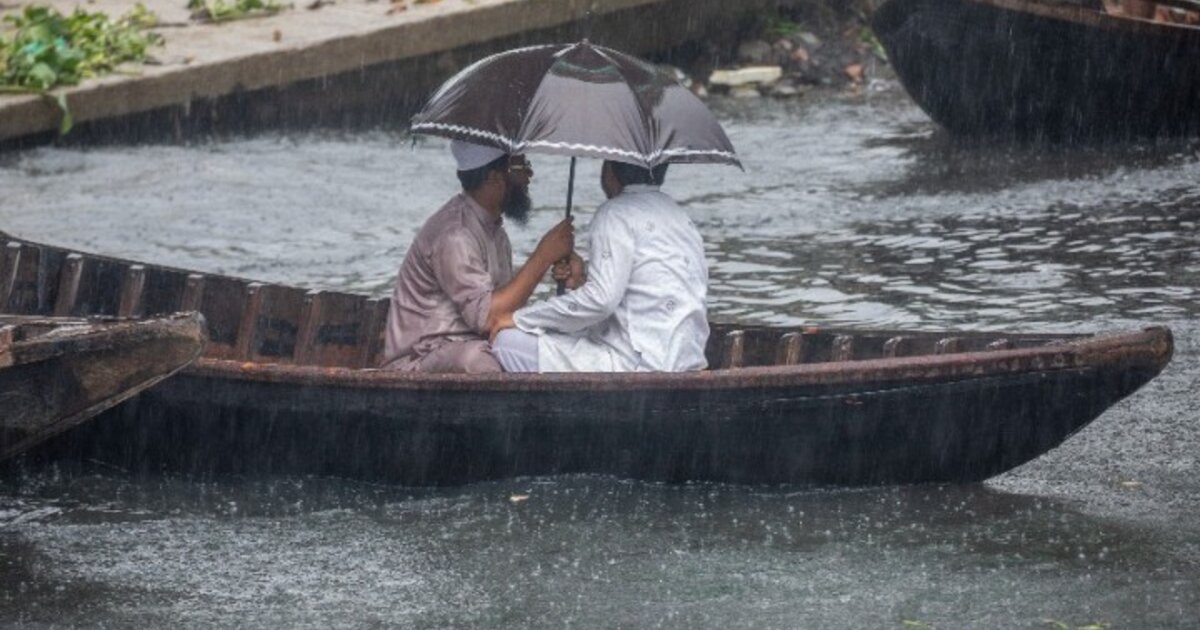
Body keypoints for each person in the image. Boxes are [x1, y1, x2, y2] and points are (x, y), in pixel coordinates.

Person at [489, 159, 709, 373]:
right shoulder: (681, 217)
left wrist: (520, 319)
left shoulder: (615, 213)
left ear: (610, 170)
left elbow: (601, 302)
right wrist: (580, 282)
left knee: (506, 343)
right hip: (686, 358)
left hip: (638, 364)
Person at [381, 140, 574, 373]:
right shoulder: (455, 235)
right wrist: (542, 257)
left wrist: (560, 276)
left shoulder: (496, 233)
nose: (529, 175)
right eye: (522, 167)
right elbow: (488, 318)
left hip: (471, 343)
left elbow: (505, 312)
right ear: (494, 178)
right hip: (419, 359)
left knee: (544, 342)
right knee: (478, 360)